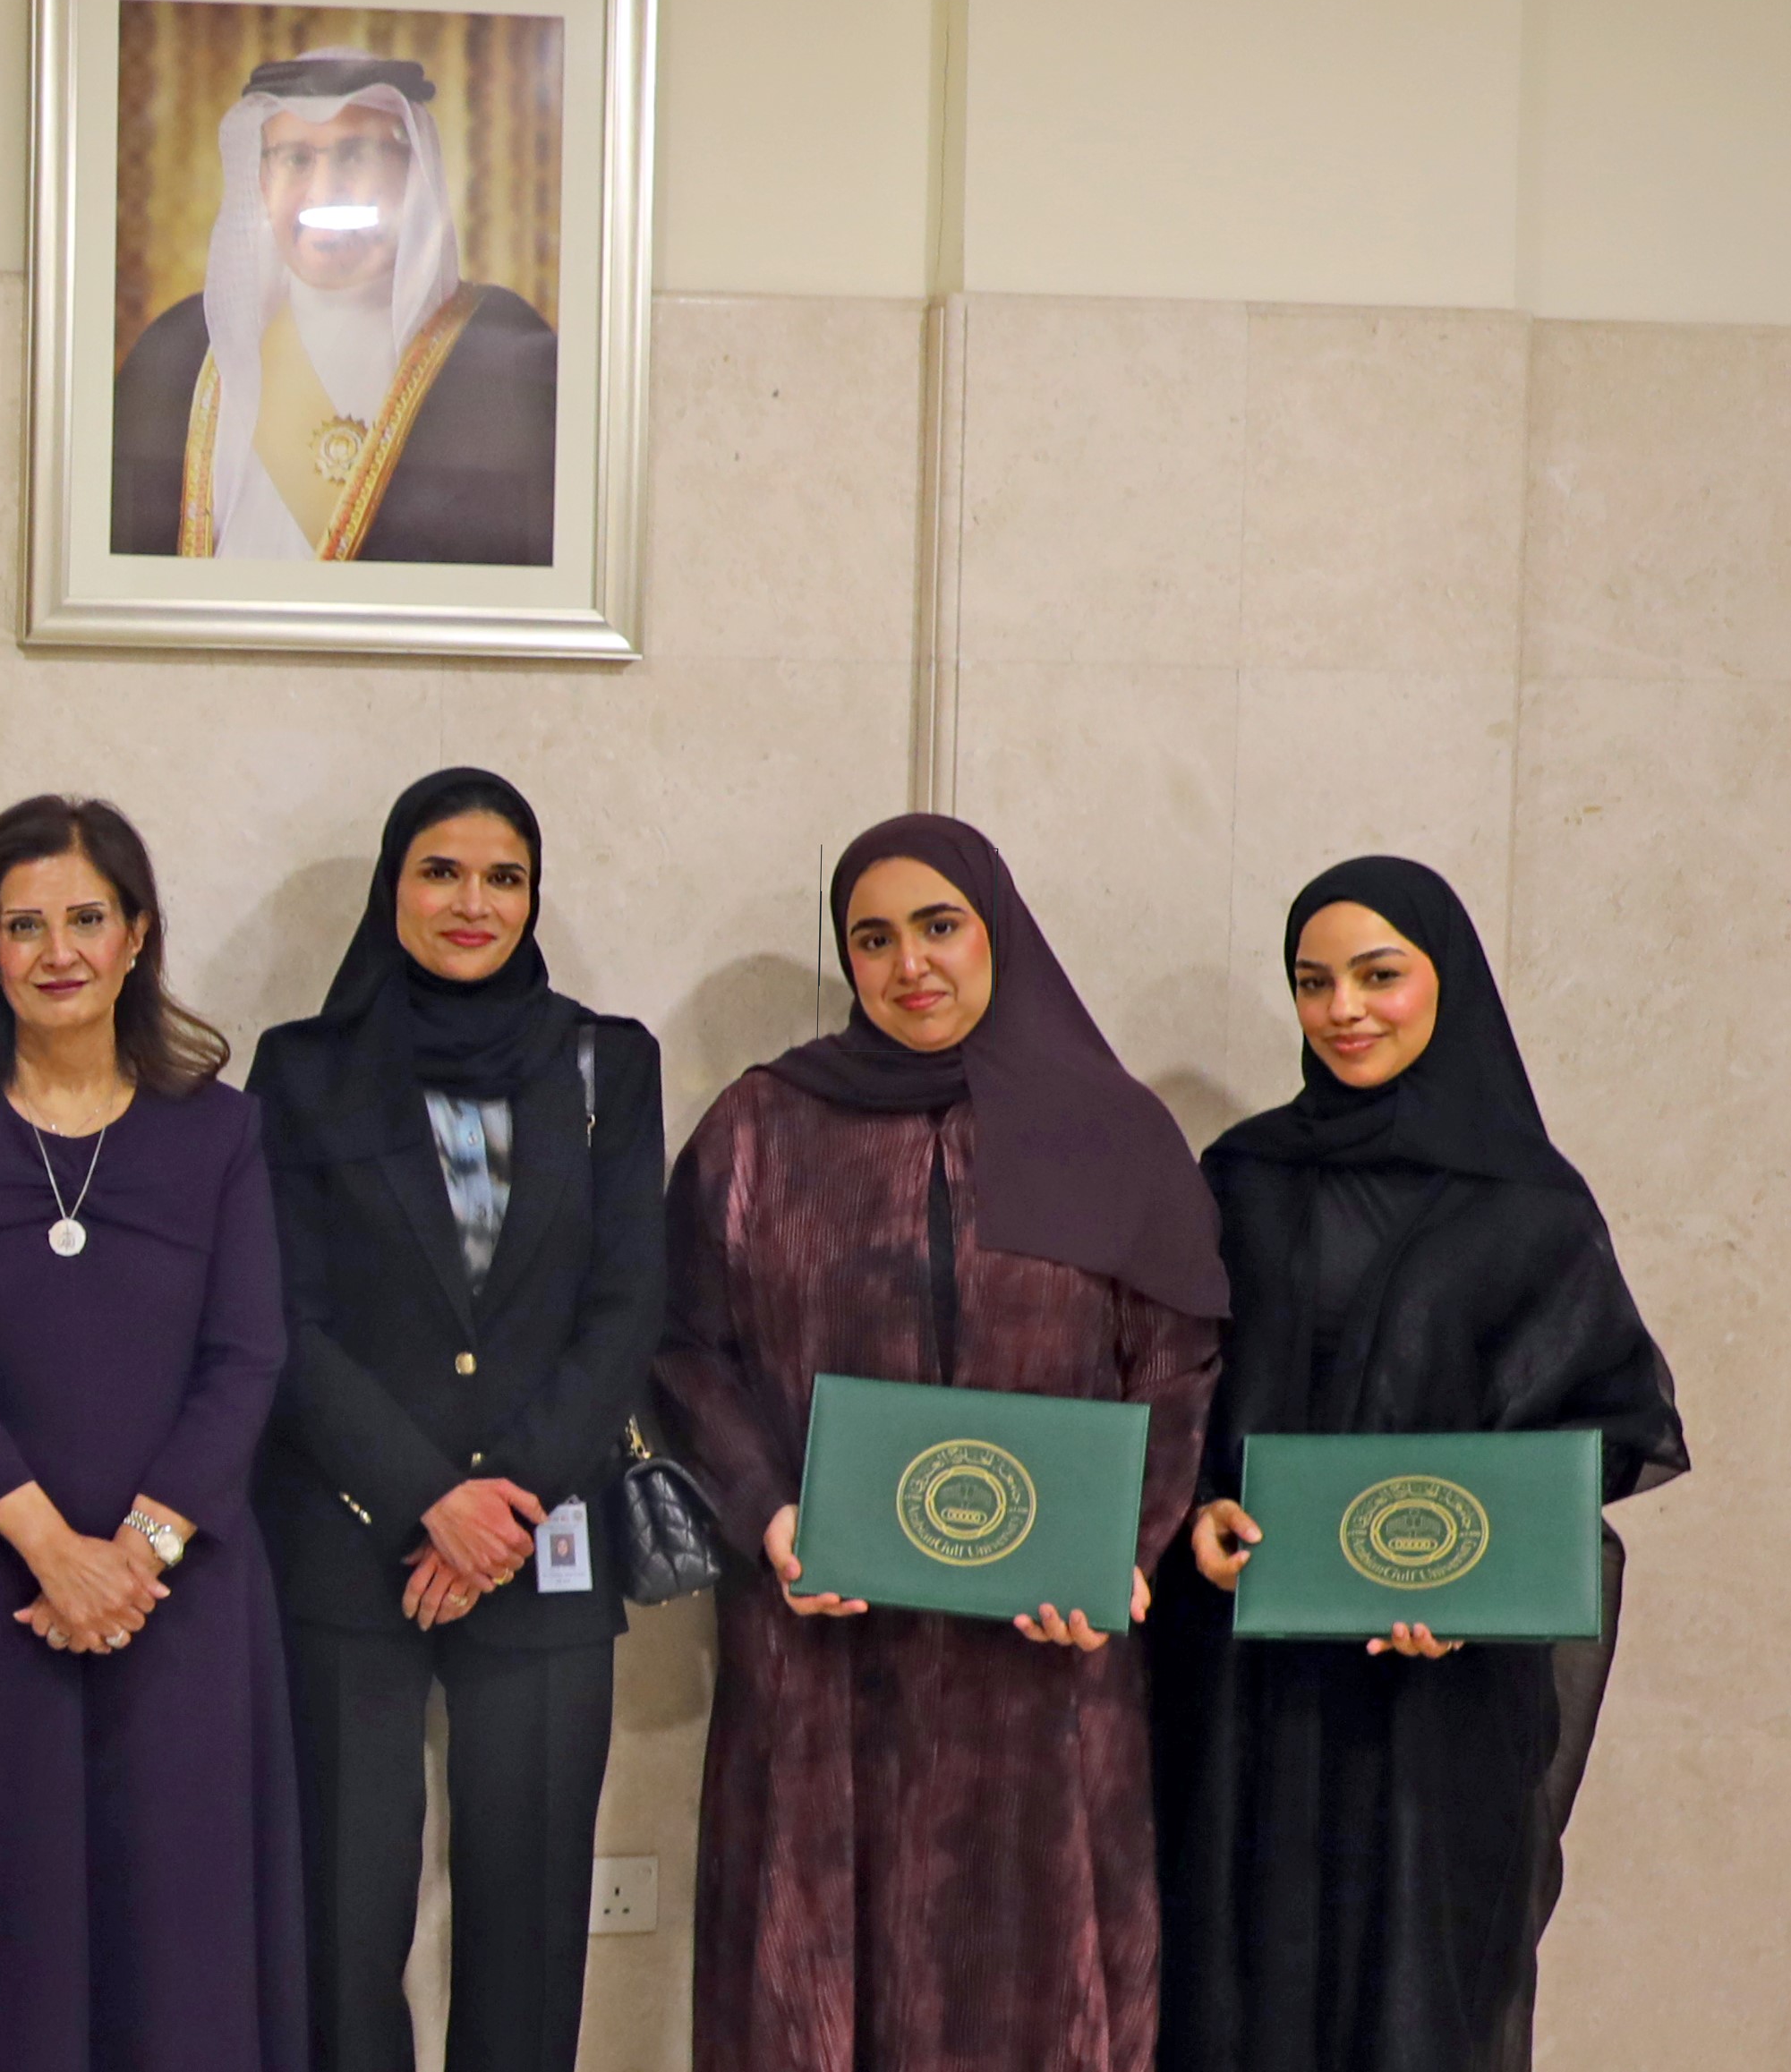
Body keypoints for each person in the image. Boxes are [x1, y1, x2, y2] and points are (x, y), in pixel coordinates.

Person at [651, 814, 1226, 2072]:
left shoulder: (1111, 1133)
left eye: (938, 926)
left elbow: (1174, 1362)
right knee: (812, 1970)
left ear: (995, 931)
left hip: (1040, 1656)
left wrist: (1120, 1549)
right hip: (823, 1641)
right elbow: (685, 1348)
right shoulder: (760, 1127)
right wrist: (768, 1512)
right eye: (872, 938)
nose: (908, 963)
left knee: (1028, 1968)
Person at [1151, 857, 1684, 2072]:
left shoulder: (1530, 1203)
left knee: (1417, 1995)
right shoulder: (1240, 1178)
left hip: (1439, 1692)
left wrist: (1476, 1581)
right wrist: (1194, 1510)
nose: (1343, 1008)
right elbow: (1174, 1384)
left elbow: (1603, 1422)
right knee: (1240, 1979)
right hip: (1253, 1682)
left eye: (1377, 974)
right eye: (1313, 981)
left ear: (1446, 980)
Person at [0, 795, 308, 2072]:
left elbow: (246, 1357)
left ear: (137, 935)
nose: (58, 951)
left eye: (86, 918)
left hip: (179, 1598)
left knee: (175, 1932)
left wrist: (133, 1556)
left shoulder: (219, 1128)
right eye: (23, 924)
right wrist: (55, 1552)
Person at [243, 770, 663, 2072]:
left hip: (542, 1548)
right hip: (346, 1547)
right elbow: (281, 1315)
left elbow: (626, 1305)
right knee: (340, 1922)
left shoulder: (606, 1061)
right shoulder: (302, 1069)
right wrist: (427, 1496)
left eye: (502, 876)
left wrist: (502, 1508)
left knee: (530, 1926)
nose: (470, 901)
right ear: (393, 887)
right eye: (440, 871)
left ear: (533, 896)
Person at [109, 52, 555, 566]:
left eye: (356, 155)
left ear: (413, 173)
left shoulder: (507, 358)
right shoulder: (179, 351)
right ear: (263, 182)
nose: (324, 193)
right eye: (296, 160)